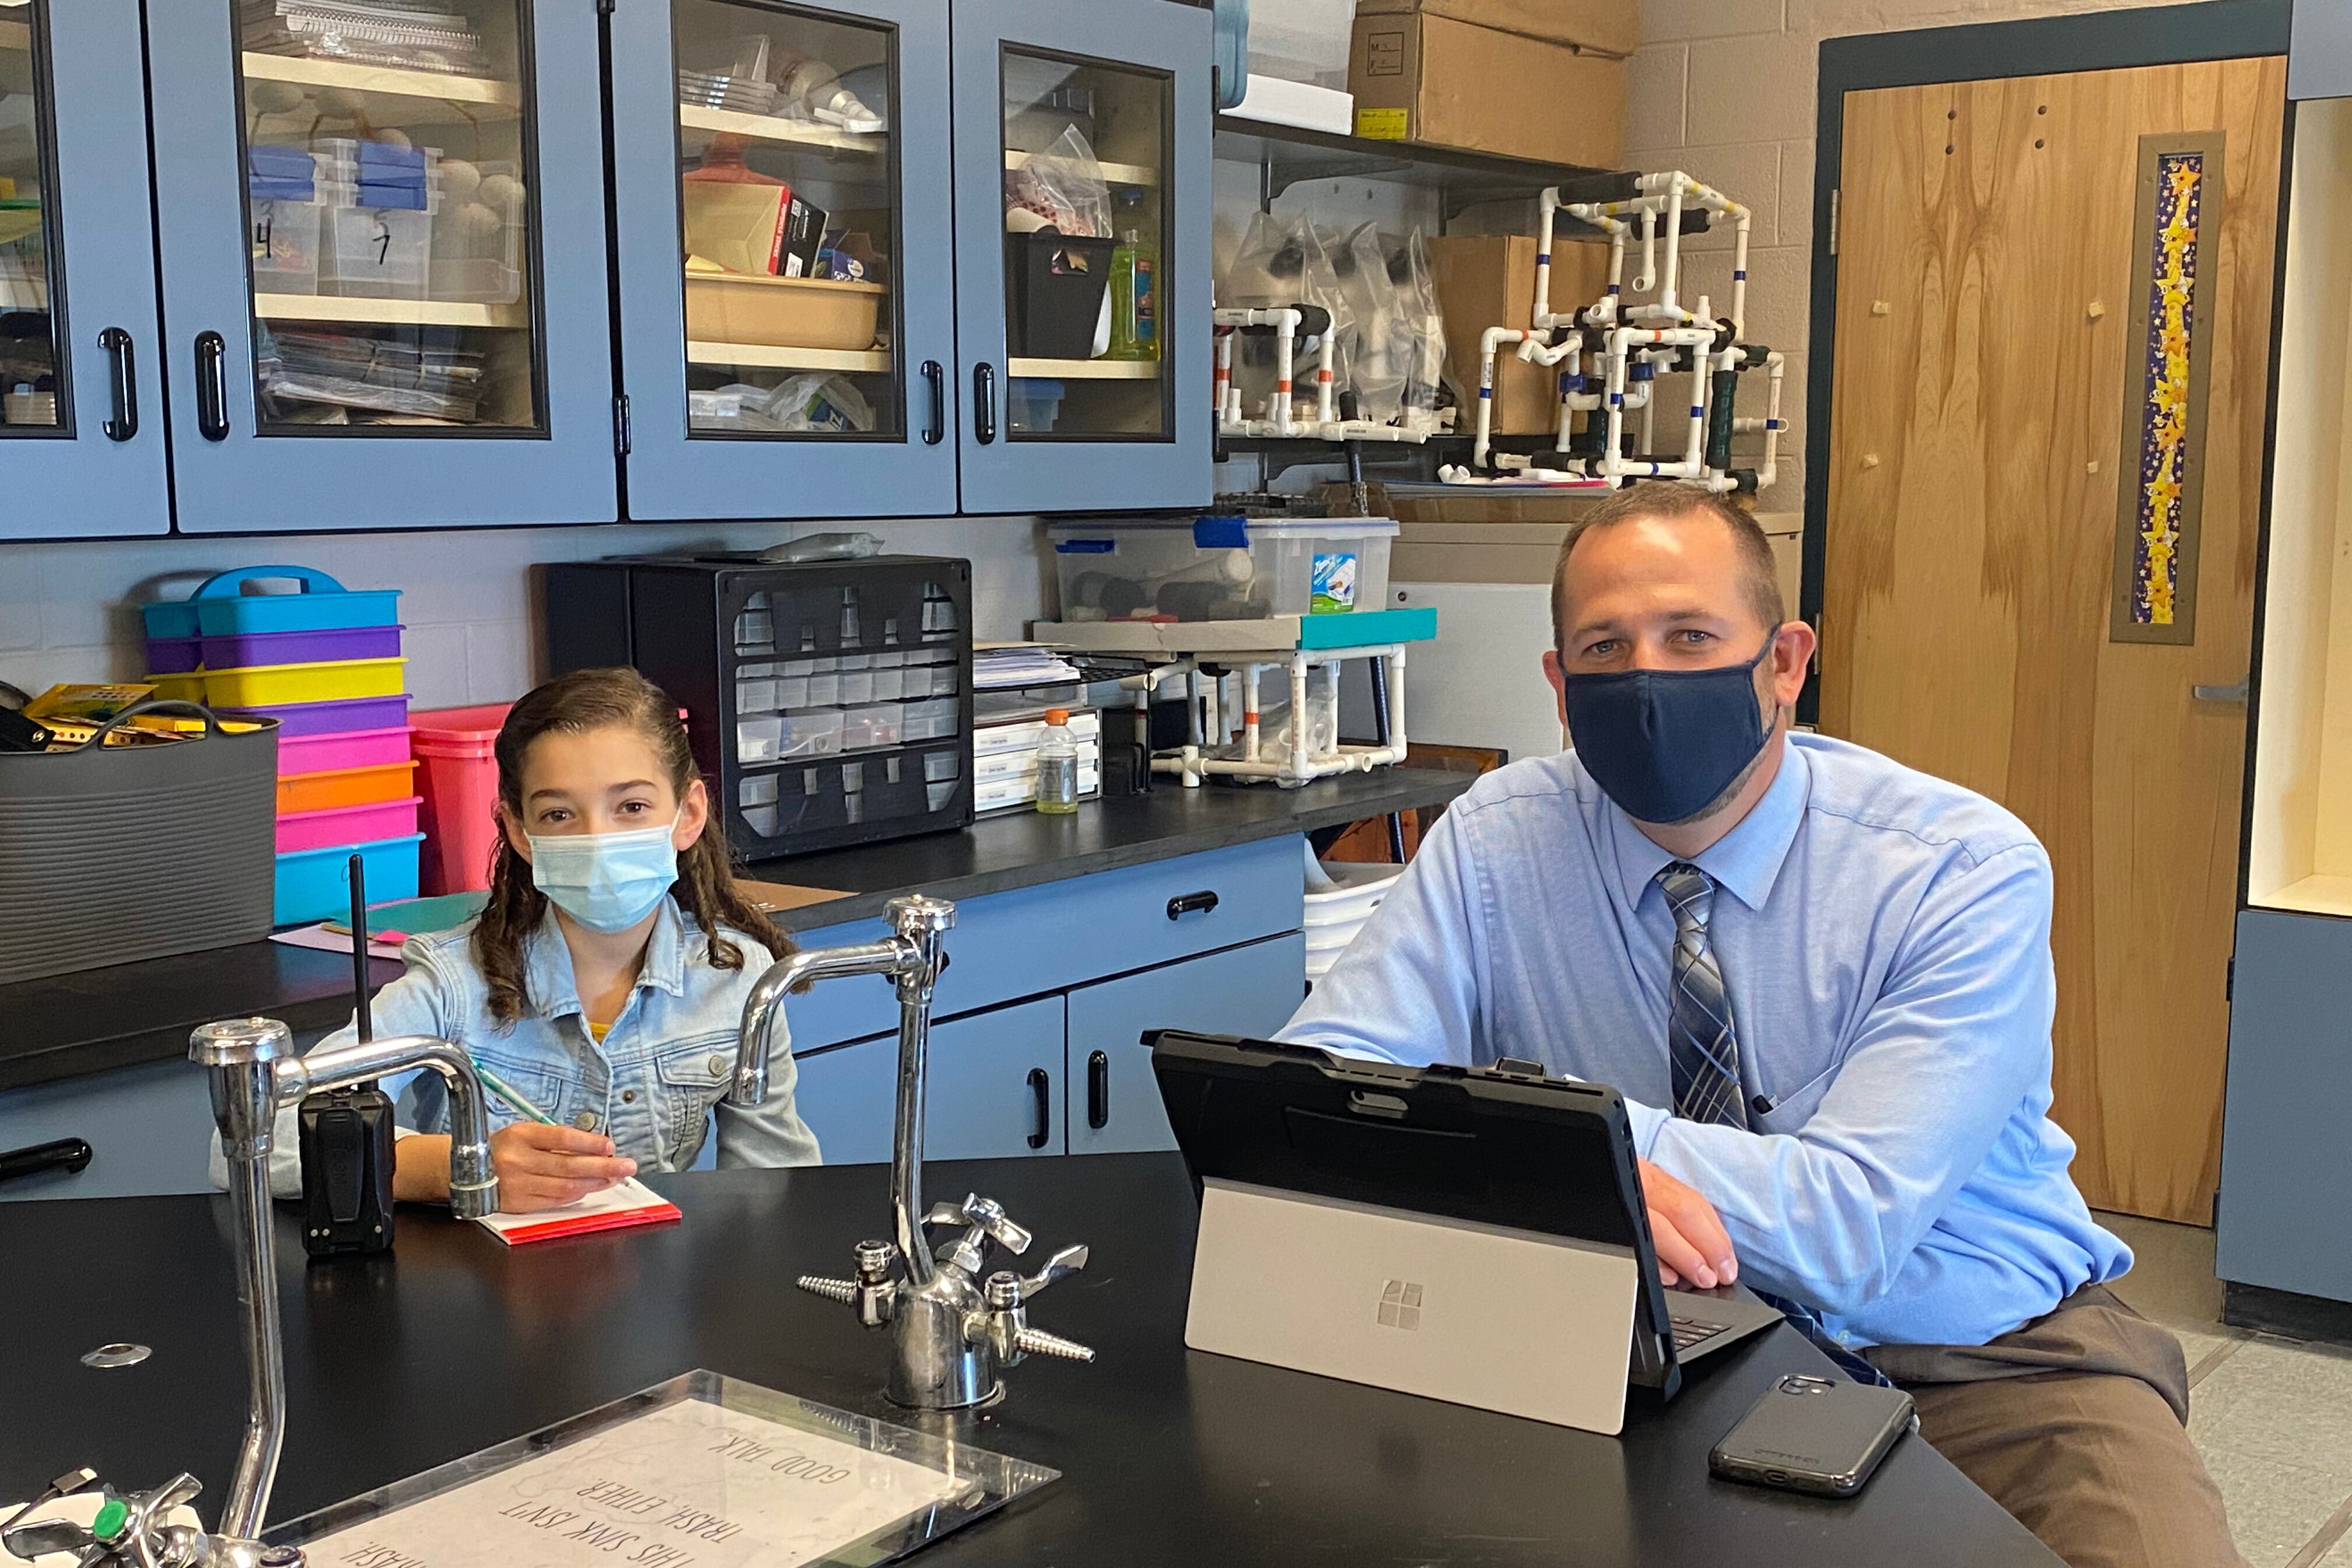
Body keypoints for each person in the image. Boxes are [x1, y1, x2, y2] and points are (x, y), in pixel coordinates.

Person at [1281, 484, 2244, 1568]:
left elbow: (1846, 1228)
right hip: (1639, 1345)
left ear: (1784, 662)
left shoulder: (1957, 871)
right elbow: (1310, 1093)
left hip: (1979, 1352)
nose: (1644, 678)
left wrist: (1570, 1147)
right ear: (1558, 685)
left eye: (1691, 636)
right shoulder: (1496, 841)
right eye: (1604, 647)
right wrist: (1539, 1159)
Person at [213, 667, 817, 1212]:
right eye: (559, 814)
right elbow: (249, 1139)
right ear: (519, 832)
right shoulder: (452, 988)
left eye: (631, 806)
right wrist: (448, 1165)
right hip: (485, 1299)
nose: (598, 839)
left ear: (687, 815)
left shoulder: (739, 978)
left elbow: (773, 1185)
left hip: (658, 1302)